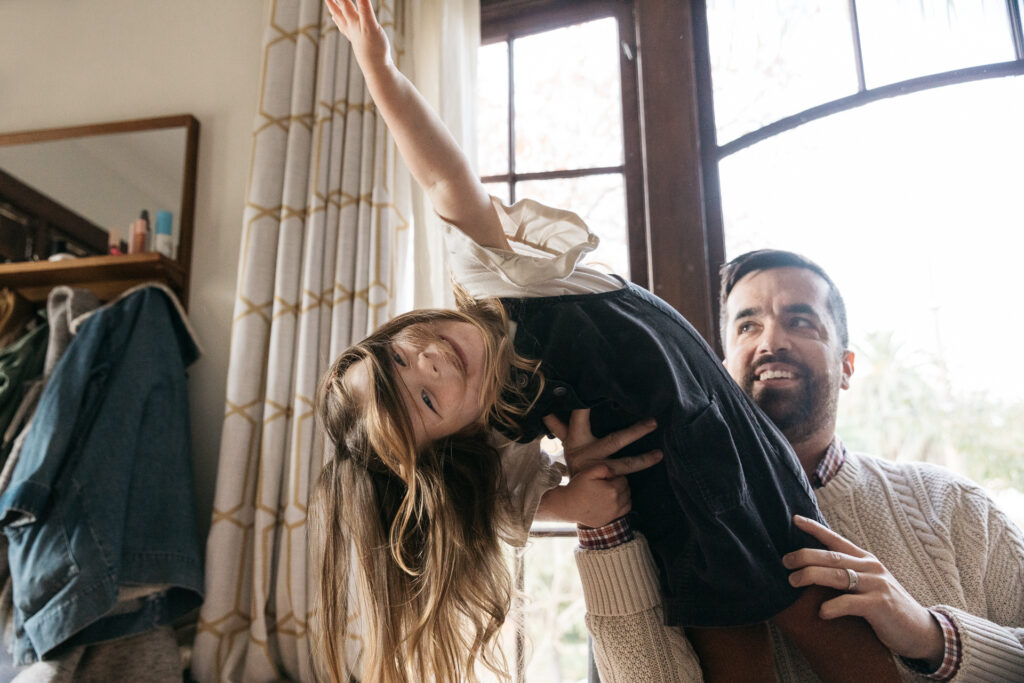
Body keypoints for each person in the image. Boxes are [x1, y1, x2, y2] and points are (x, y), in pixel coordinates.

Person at [312, 3, 896, 681]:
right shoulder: (500, 432)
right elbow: (493, 510)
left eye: (401, 352)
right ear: (451, 439)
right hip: (674, 515)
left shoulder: (499, 276)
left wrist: (379, 70)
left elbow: (443, 175)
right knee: (737, 657)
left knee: (828, 618)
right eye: (423, 396)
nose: (429, 359)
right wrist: (572, 500)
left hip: (734, 451)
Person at [574, 249, 1024, 681]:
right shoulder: (660, 522)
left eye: (800, 321)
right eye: (747, 326)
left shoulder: (958, 508)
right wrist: (603, 529)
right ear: (722, 368)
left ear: (847, 367)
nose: (771, 342)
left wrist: (931, 636)